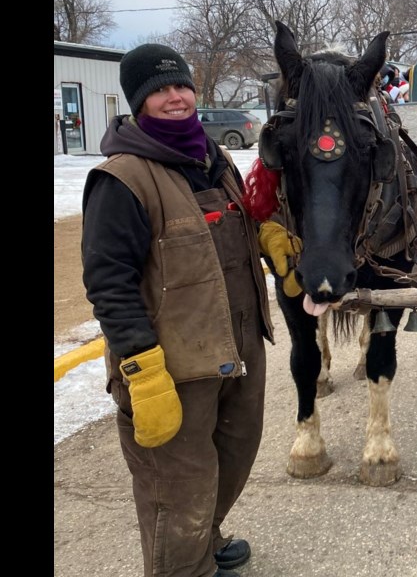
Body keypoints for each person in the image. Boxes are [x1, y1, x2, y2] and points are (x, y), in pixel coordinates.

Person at [81, 43, 276, 577]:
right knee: (176, 489)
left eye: (182, 85)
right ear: (139, 101)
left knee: (232, 459)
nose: (175, 96)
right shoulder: (122, 178)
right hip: (171, 367)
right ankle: (182, 569)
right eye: (160, 89)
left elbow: (228, 239)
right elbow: (107, 280)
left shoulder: (215, 160)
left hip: (237, 348)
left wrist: (269, 236)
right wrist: (141, 370)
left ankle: (204, 543)